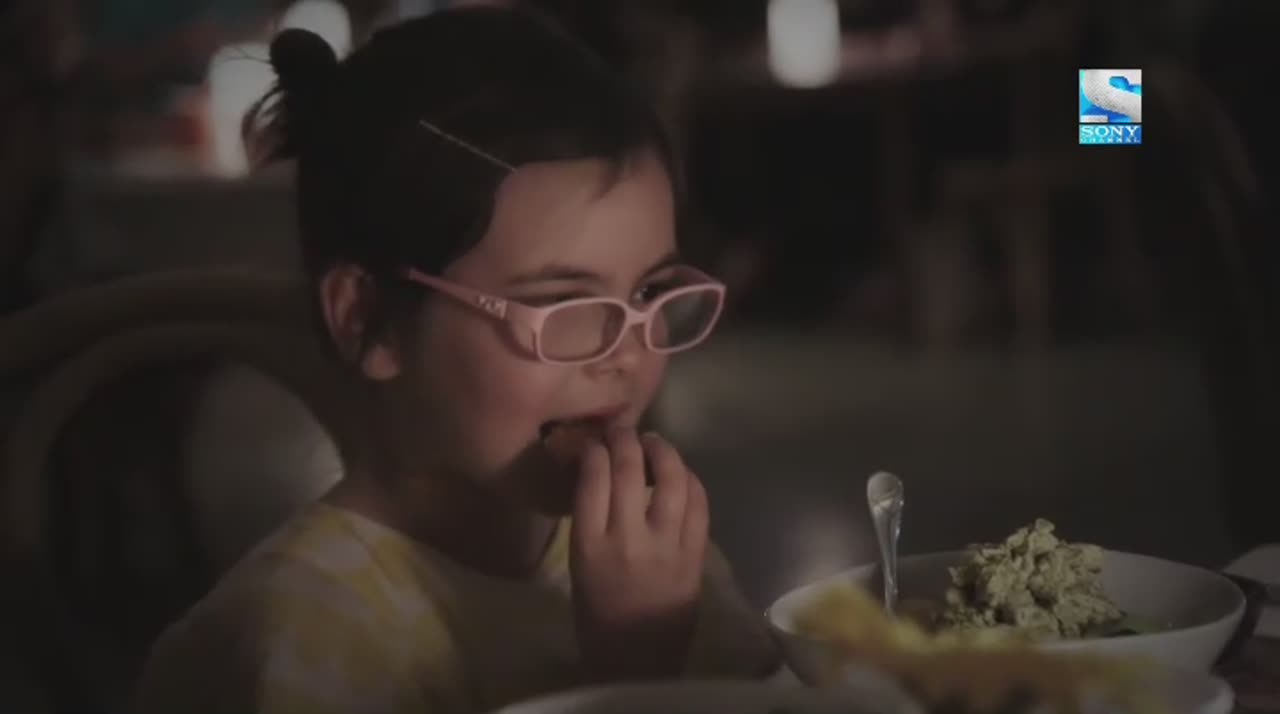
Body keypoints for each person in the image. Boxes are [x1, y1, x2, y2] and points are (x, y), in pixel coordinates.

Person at [132, 6, 780, 714]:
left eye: (650, 292)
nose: (627, 352)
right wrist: (633, 677)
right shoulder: (307, 636)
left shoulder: (640, 546)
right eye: (563, 304)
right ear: (368, 321)